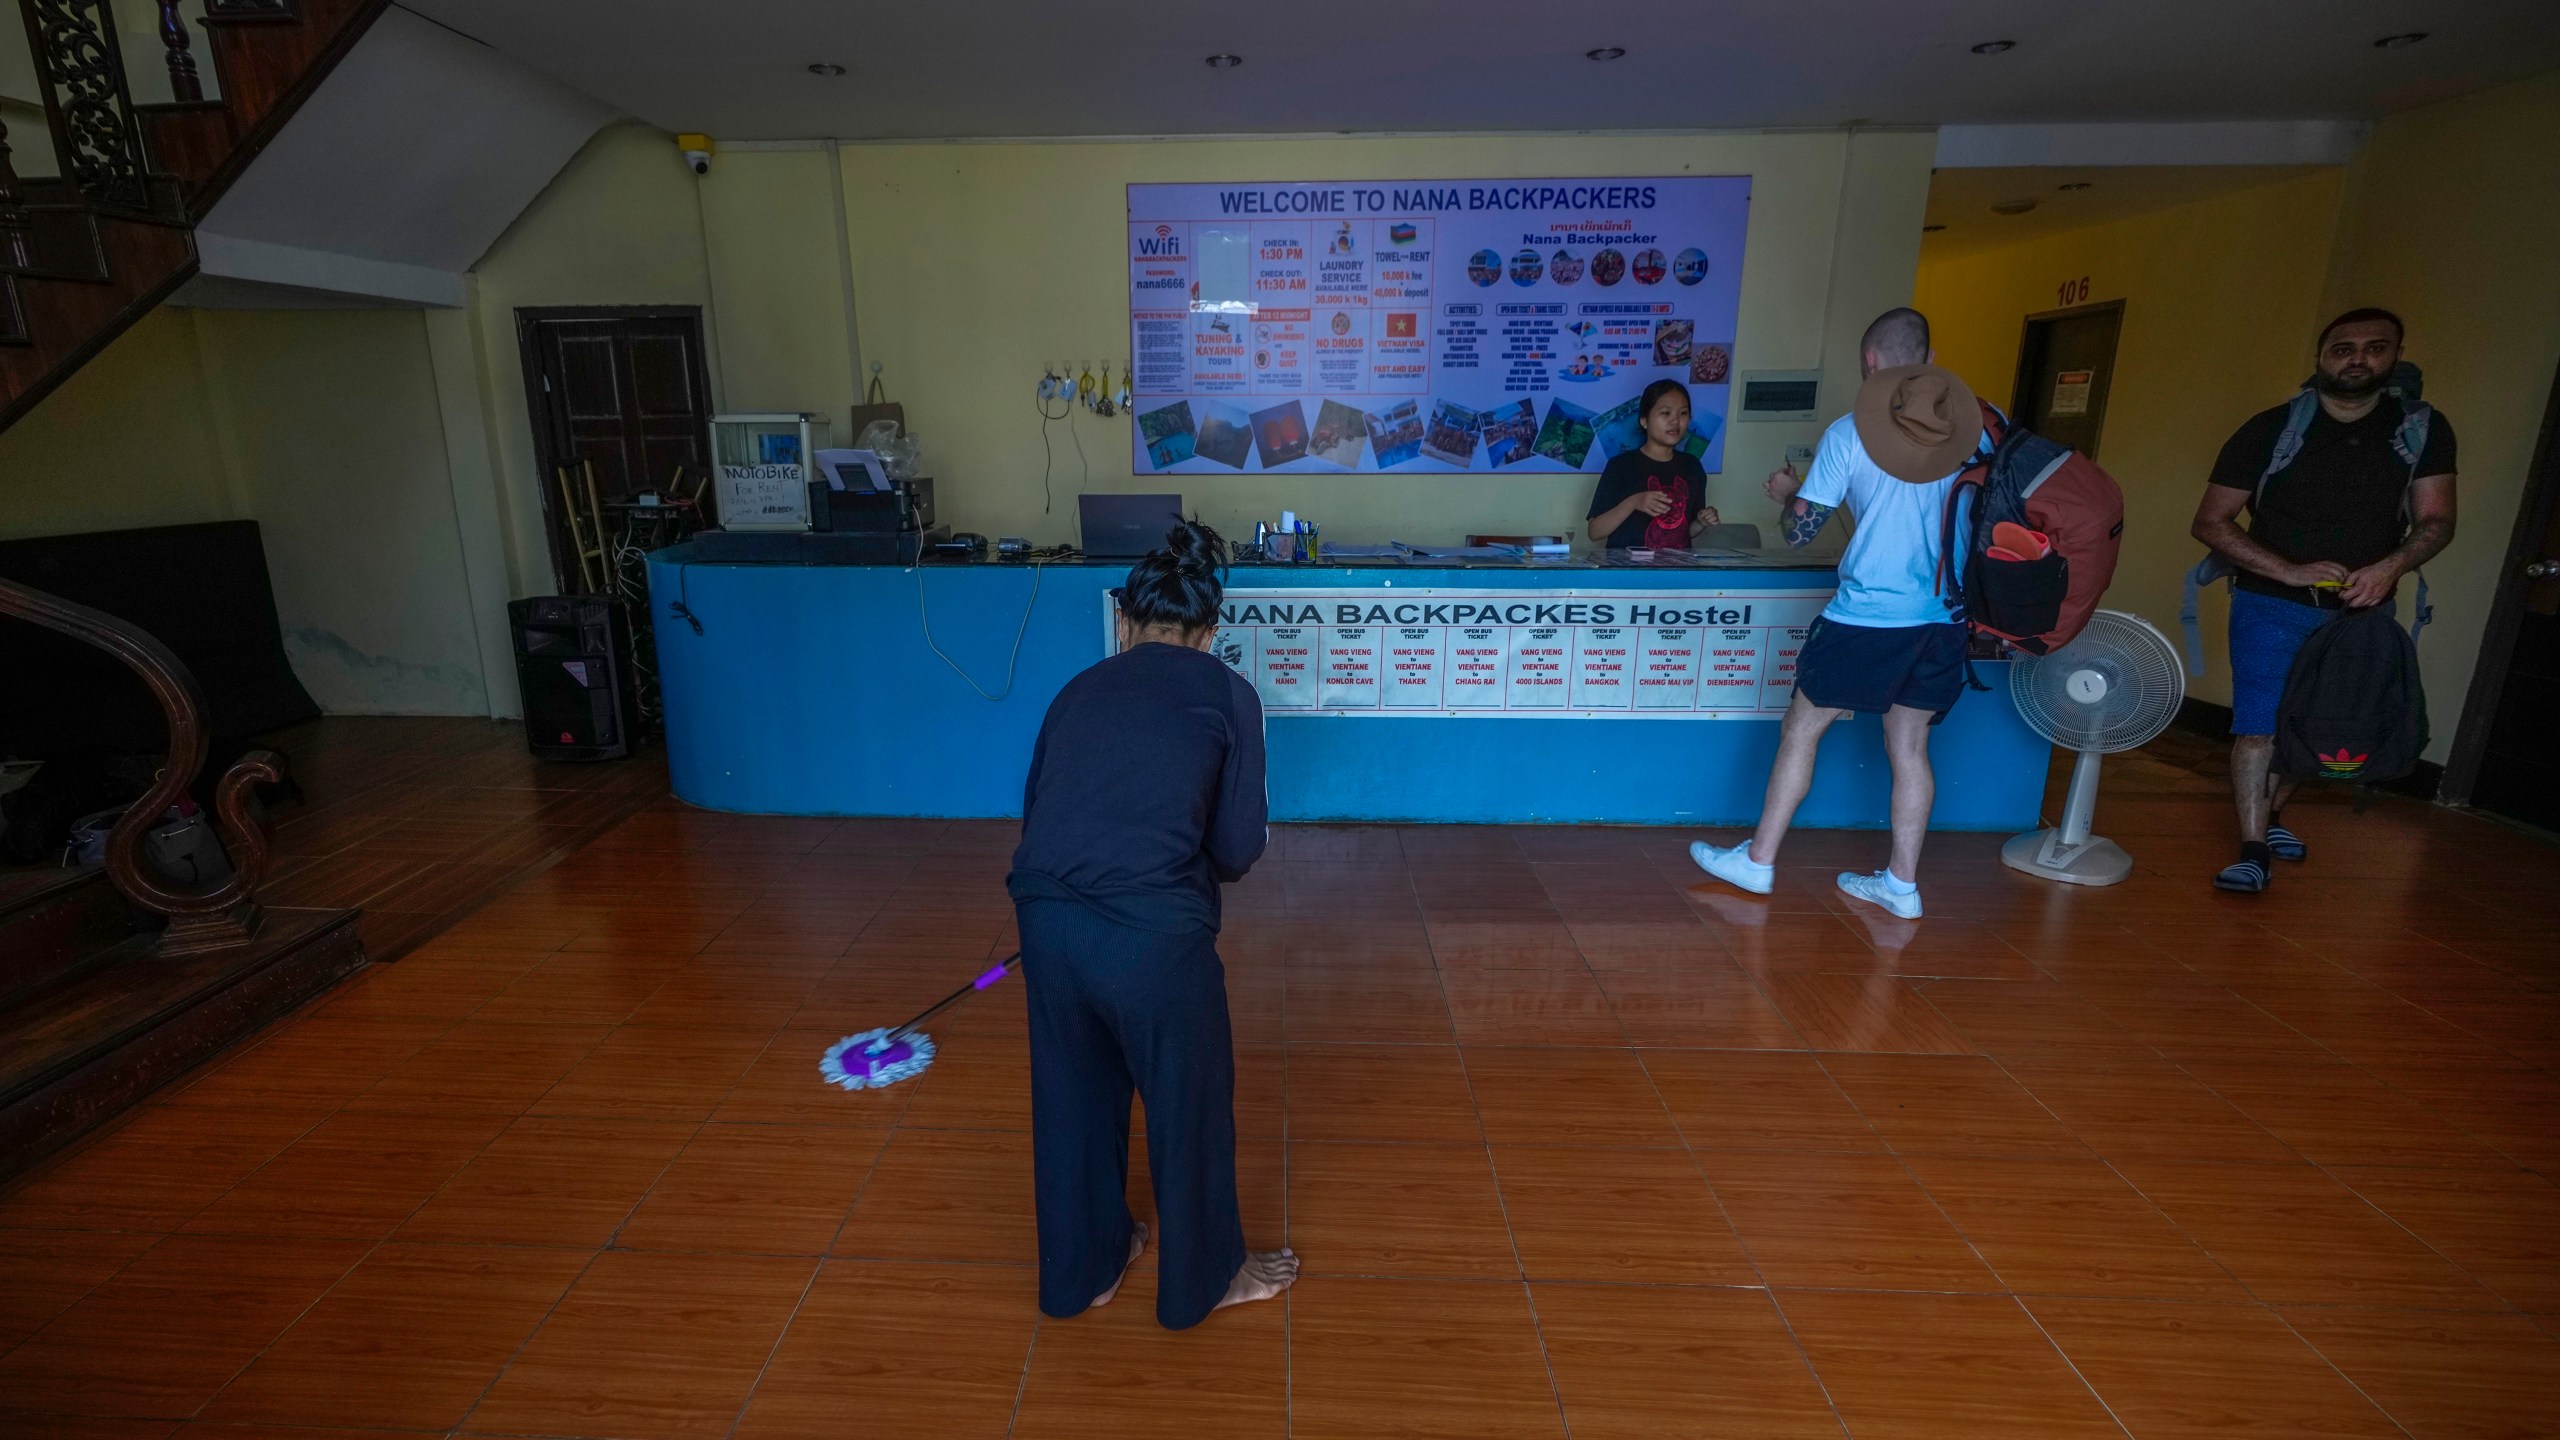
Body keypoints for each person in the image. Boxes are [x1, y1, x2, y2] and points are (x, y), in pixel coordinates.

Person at [1005, 518, 1299, 1330]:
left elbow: (1038, 814)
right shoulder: (1229, 694)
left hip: (1047, 921)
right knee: (1187, 1102)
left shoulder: (1077, 689)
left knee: (1072, 1099)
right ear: (1209, 634)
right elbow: (1238, 849)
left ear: (1125, 622)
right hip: (1153, 939)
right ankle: (1207, 1278)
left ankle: (1084, 1273)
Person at [1689, 308, 1980, 920]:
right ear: (1927, 359)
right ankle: (1901, 886)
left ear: (1871, 363)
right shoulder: (1972, 434)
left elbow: (1801, 534)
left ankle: (1759, 862)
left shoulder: (1853, 433)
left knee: (1802, 728)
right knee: (1910, 747)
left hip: (1868, 616)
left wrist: (1785, 495)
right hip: (1944, 616)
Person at [2189, 308, 2457, 892]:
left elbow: (2436, 521)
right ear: (2320, 358)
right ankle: (2253, 847)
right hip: (2268, 604)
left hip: (2361, 610)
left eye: (2374, 348)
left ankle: (2274, 813)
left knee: (2320, 722)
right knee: (2259, 727)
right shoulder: (2269, 430)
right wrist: (2285, 570)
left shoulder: (2420, 430)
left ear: (2395, 357)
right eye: (2343, 348)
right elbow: (2211, 522)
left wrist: (2391, 567)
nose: (2357, 358)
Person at [1587, 379, 1721, 548]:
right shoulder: (1620, 466)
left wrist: (1701, 522)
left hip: (1675, 571)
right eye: (1666, 413)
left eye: (1683, 413)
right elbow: (1594, 532)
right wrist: (1634, 502)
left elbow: (1683, 532)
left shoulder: (1692, 466)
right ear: (1644, 420)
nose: (1675, 421)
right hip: (1629, 571)